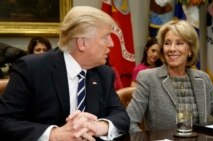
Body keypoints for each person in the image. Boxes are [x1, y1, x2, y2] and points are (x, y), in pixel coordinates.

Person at [0, 6, 130, 141]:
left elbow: (121, 115)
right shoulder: (32, 68)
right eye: (106, 37)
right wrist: (54, 134)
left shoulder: (104, 73)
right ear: (82, 43)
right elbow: (4, 121)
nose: (112, 44)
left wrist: (100, 126)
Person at [126, 19, 213, 133]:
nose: (172, 49)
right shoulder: (148, 78)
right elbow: (129, 122)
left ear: (190, 50)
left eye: (179, 43)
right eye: (167, 43)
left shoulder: (203, 79)